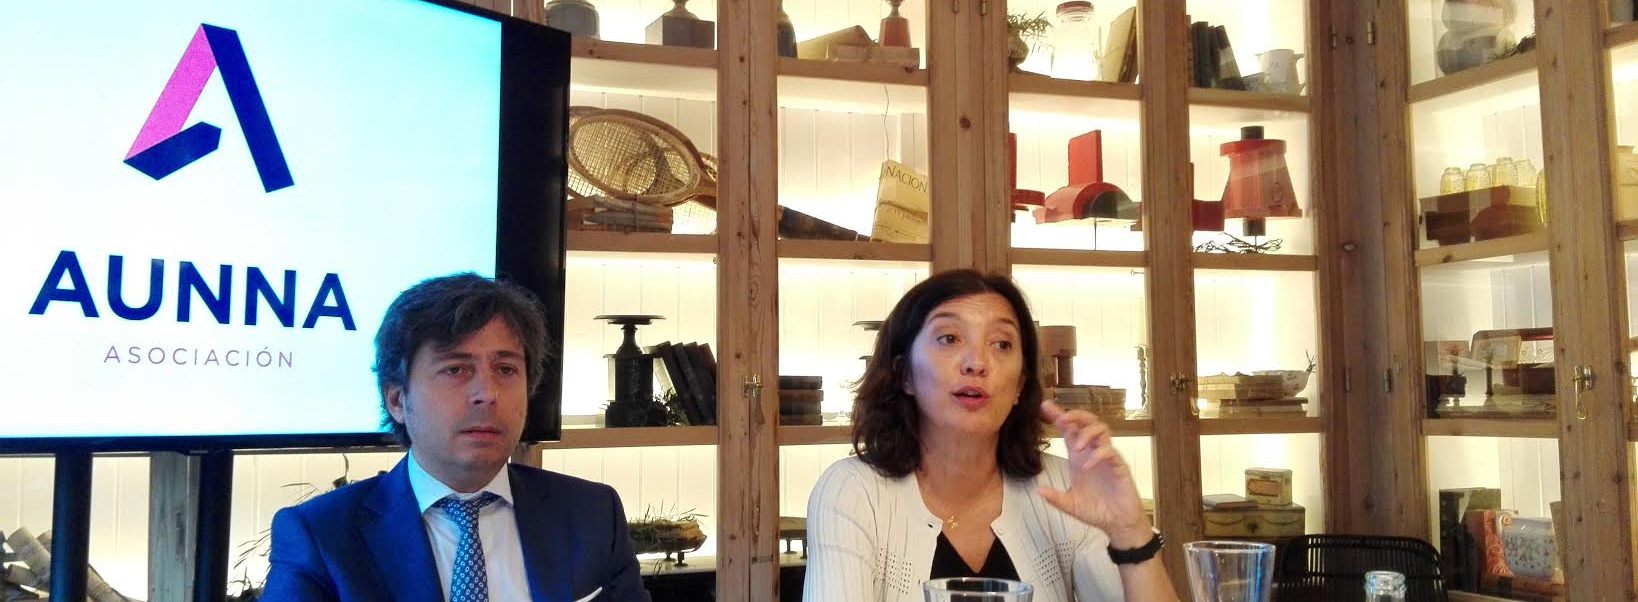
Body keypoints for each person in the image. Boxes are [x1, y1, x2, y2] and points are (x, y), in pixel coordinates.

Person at [261, 273, 649, 602]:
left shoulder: (592, 515)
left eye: (506, 369)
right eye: (456, 369)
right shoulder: (322, 536)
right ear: (397, 400)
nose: (487, 393)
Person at [804, 269, 1179, 602]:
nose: (977, 363)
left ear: (1020, 385)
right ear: (905, 375)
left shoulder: (1064, 487)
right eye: (949, 338)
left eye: (1001, 344)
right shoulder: (853, 492)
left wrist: (1129, 531)